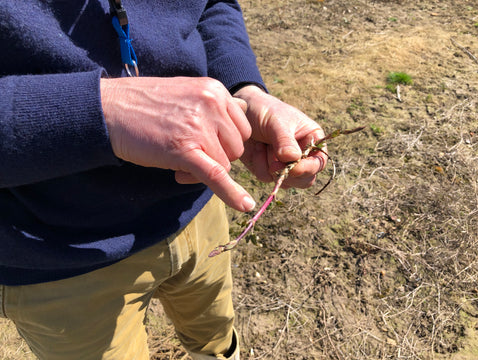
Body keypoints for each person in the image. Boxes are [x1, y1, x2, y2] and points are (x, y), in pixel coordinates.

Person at [0, 1, 327, 359]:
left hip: (197, 206)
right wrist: (99, 111)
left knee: (215, 340)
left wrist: (242, 89)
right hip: (58, 257)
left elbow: (212, 5)